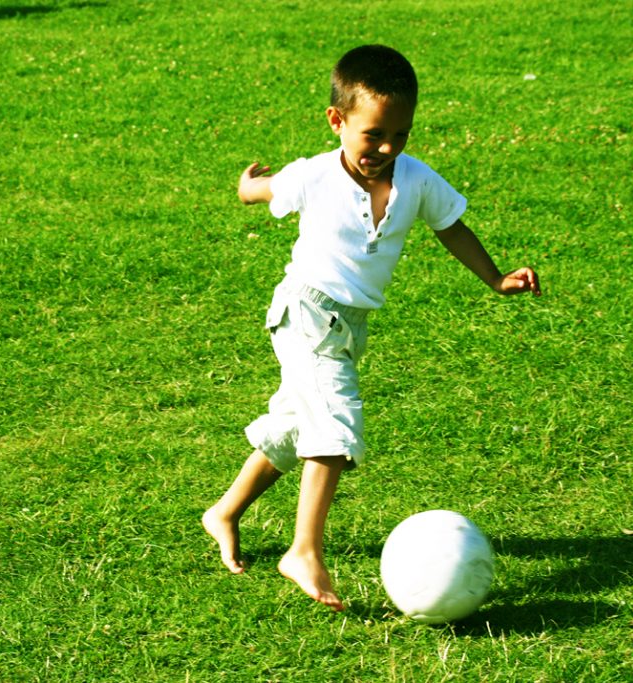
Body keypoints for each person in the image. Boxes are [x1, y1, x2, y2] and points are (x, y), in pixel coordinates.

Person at [203, 44, 541, 612]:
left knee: (294, 428)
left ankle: (225, 511)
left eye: (400, 135)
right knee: (334, 428)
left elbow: (452, 227)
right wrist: (247, 184)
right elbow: (260, 191)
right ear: (337, 121)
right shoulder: (312, 175)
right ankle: (304, 550)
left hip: (348, 325)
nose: (386, 148)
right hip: (305, 312)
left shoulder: (416, 180)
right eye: (373, 135)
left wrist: (497, 279)